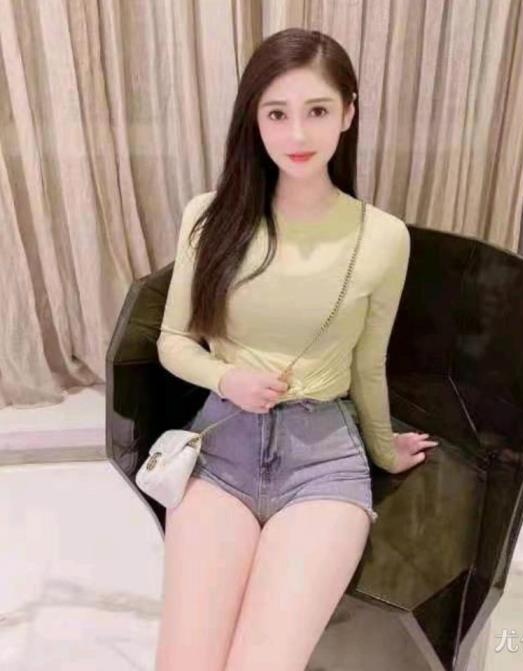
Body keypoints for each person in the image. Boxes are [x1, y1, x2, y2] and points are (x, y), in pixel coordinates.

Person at [154, 27, 438, 671]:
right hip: (221, 452)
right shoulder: (210, 217)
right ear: (254, 120)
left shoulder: (383, 237)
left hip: (324, 463)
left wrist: (382, 449)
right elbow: (173, 341)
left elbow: (367, 364)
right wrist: (227, 379)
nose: (298, 134)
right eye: (277, 114)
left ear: (349, 113)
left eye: (318, 110)